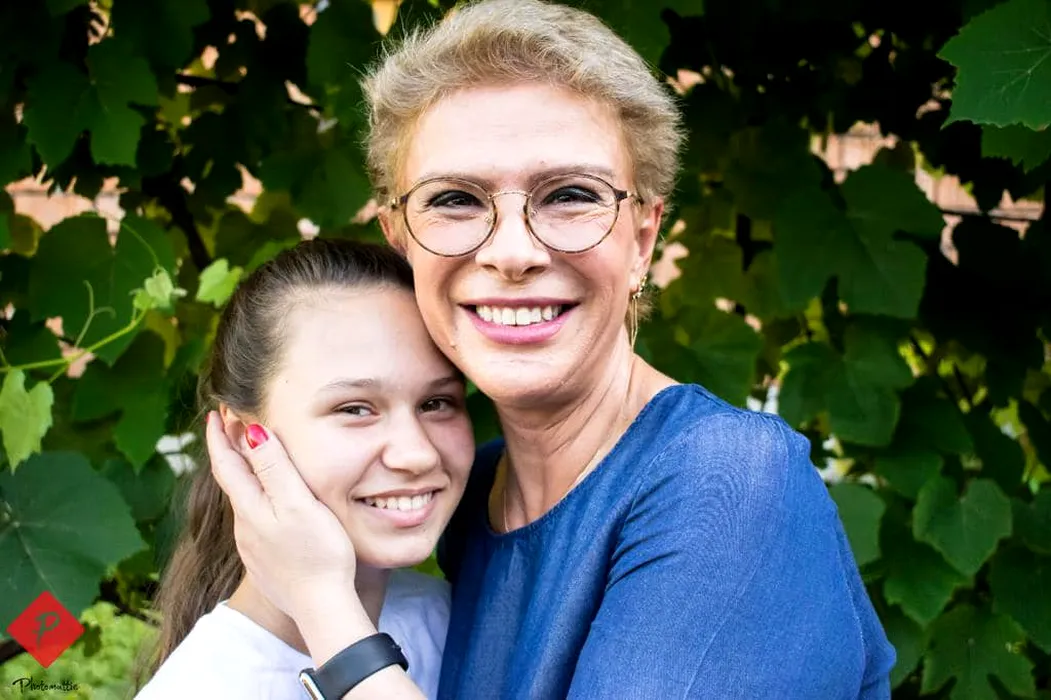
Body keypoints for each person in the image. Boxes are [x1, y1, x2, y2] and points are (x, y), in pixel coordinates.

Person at [206, 0, 897, 698]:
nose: (513, 252)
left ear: (643, 239)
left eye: (568, 194)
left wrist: (327, 611)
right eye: (455, 200)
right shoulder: (470, 501)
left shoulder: (728, 483)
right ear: (401, 242)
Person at [135, 239, 474, 699]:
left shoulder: (458, 619)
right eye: (355, 409)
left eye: (436, 403)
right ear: (244, 439)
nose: (418, 455)